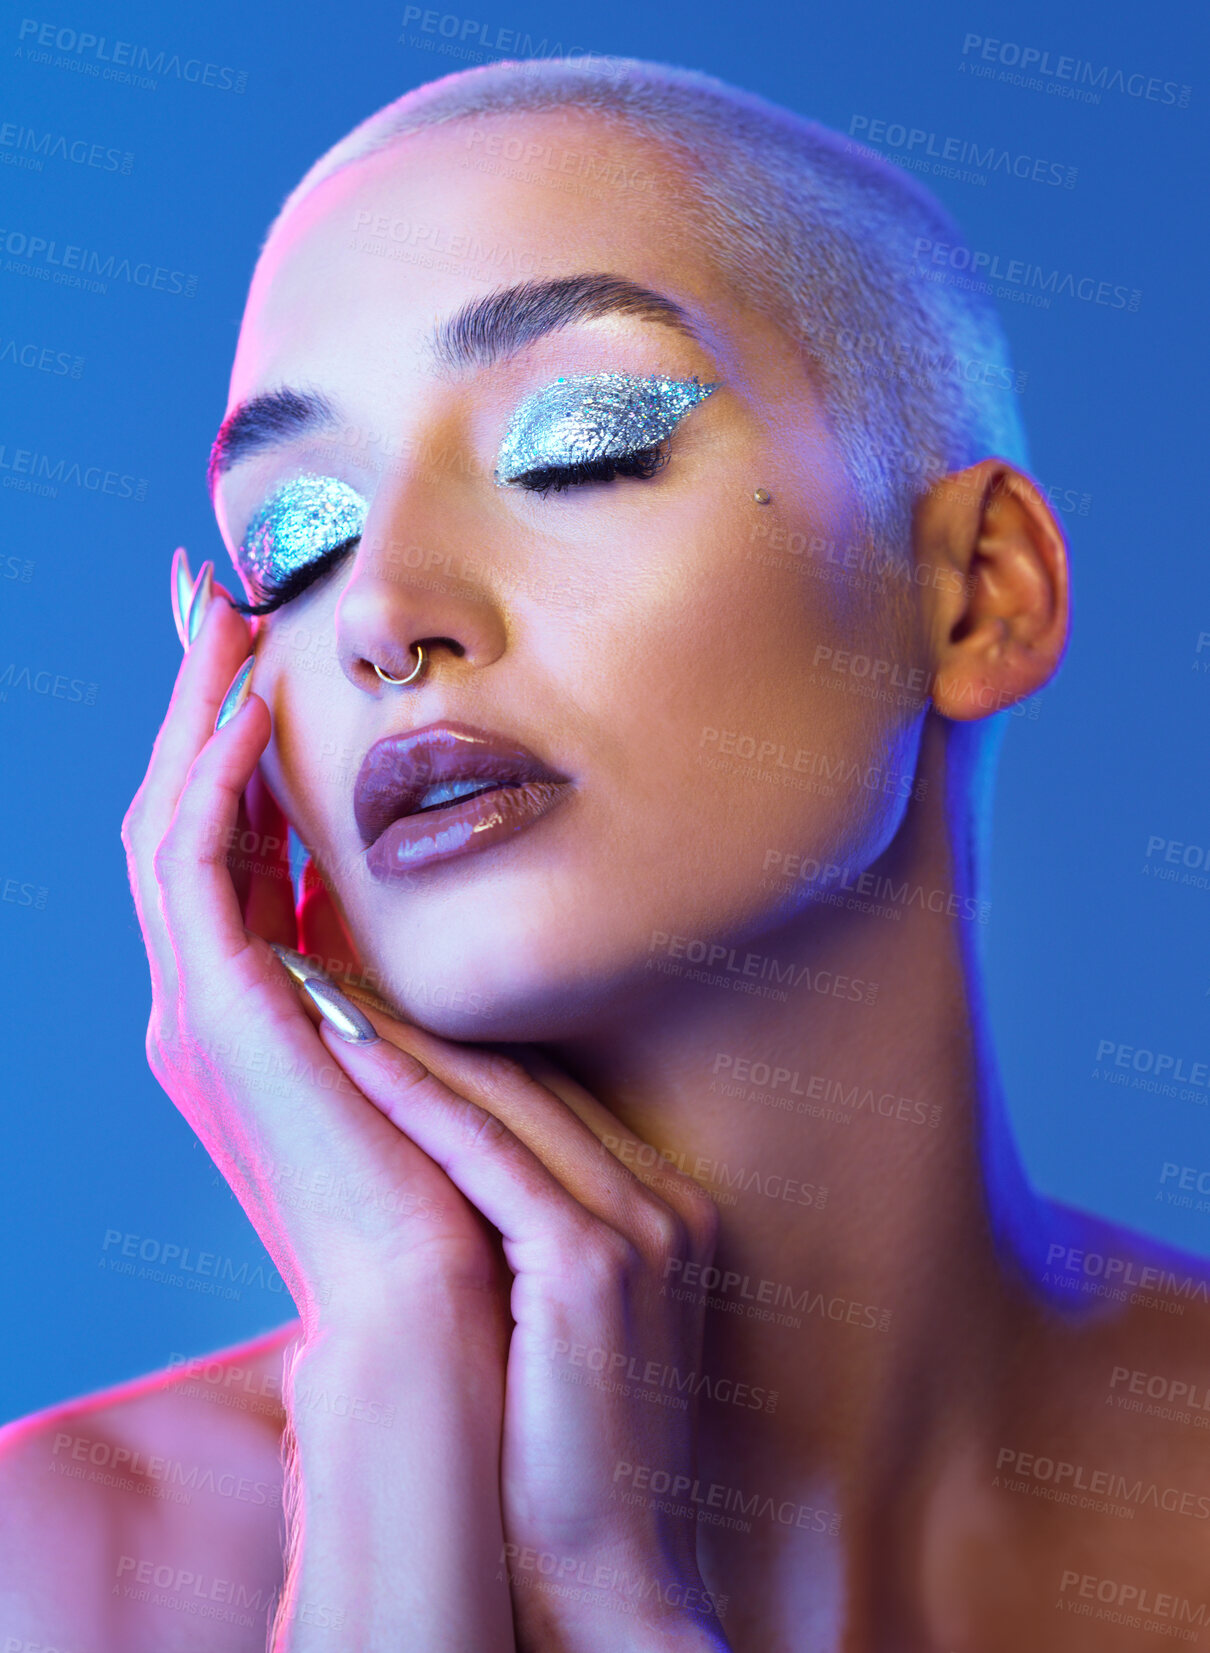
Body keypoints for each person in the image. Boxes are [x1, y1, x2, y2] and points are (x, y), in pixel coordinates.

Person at [2, 54, 1207, 1653]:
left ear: (976, 591)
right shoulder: (60, 1569)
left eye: (574, 443)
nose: (375, 614)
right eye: (293, 537)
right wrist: (390, 1382)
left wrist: (615, 1609)